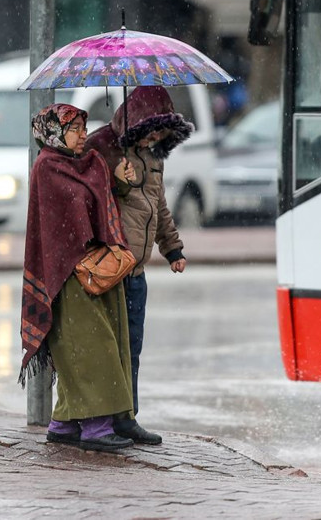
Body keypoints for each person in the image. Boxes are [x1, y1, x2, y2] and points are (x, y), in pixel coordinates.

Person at [19, 103, 139, 453]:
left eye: (84, 128)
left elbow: (100, 203)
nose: (83, 134)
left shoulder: (91, 163)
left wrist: (118, 181)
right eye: (74, 129)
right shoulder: (47, 167)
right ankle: (96, 428)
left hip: (99, 269)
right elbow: (60, 226)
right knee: (89, 350)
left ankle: (64, 423)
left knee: (94, 345)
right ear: (55, 133)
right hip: (69, 274)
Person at [85, 86, 193, 445]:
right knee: (108, 349)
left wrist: (172, 248)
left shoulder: (154, 158)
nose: (155, 138)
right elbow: (92, 200)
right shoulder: (105, 150)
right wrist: (119, 182)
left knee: (132, 348)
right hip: (111, 267)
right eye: (150, 130)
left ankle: (126, 416)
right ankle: (101, 420)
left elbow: (158, 207)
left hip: (136, 272)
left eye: (162, 132)